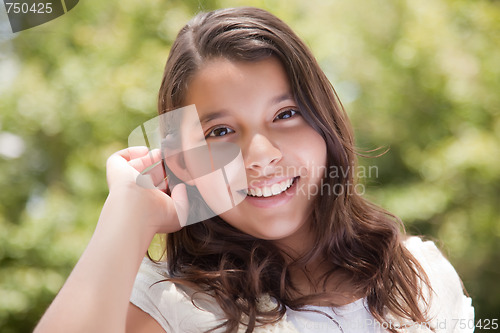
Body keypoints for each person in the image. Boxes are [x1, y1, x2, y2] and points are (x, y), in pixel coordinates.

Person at [34, 7, 474, 333]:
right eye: (220, 130)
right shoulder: (166, 305)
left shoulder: (421, 274)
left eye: (285, 114)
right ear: (183, 158)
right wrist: (128, 212)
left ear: (325, 122)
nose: (261, 155)